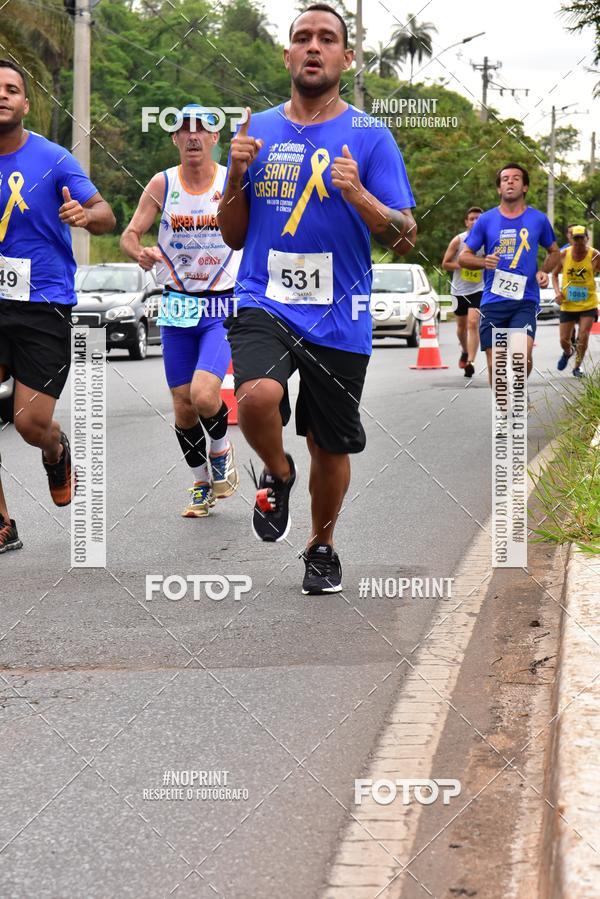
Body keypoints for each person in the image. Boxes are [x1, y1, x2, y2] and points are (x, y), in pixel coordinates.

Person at [218, 3, 416, 594]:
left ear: (345, 57)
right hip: (265, 298)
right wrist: (232, 174)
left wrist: (359, 195)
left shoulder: (370, 136)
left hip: (340, 314)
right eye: (301, 37)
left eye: (326, 39)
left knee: (329, 445)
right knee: (254, 397)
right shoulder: (257, 133)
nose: (313, 47)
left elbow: (406, 234)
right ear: (286, 55)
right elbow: (231, 235)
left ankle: (321, 546)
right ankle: (276, 474)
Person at [0, 59, 115, 554]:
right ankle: (2, 522)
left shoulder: (52, 158)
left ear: (26, 104)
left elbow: (107, 215)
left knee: (28, 422)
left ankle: (55, 447)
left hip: (44, 304)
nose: (1, 95)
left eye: (11, 89)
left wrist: (83, 215)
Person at [121, 104, 241, 517]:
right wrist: (140, 251)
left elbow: (257, 227)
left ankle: (222, 449)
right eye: (184, 130)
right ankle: (200, 485)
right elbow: (130, 233)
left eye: (201, 129)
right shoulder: (162, 183)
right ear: (174, 139)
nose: (192, 137)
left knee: (205, 395)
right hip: (176, 304)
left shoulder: (230, 180)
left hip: (221, 302)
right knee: (182, 405)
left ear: (214, 138)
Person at [458, 163, 560, 385]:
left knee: (520, 358)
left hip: (525, 300)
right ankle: (505, 412)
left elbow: (554, 252)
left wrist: (544, 271)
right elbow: (464, 257)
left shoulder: (538, 219)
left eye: (515, 178)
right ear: (499, 188)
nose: (510, 182)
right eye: (505, 179)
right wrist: (483, 261)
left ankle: (519, 393)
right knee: (496, 366)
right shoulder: (485, 220)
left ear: (525, 187)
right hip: (493, 302)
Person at [441, 206, 484, 378]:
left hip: (479, 289)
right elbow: (445, 263)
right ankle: (465, 351)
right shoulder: (458, 240)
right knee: (461, 327)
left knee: (473, 323)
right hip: (459, 290)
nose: (474, 221)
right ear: (466, 222)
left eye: (478, 219)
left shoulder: (487, 241)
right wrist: (464, 263)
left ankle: (470, 362)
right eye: (472, 218)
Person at [553, 225, 600, 378]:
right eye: (576, 238)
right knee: (563, 339)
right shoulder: (563, 254)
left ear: (587, 238)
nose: (579, 241)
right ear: (570, 239)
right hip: (568, 303)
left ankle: (577, 366)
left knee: (584, 335)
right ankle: (568, 352)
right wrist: (557, 292)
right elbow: (554, 275)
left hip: (588, 302)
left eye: (582, 238)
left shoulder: (594, 255)